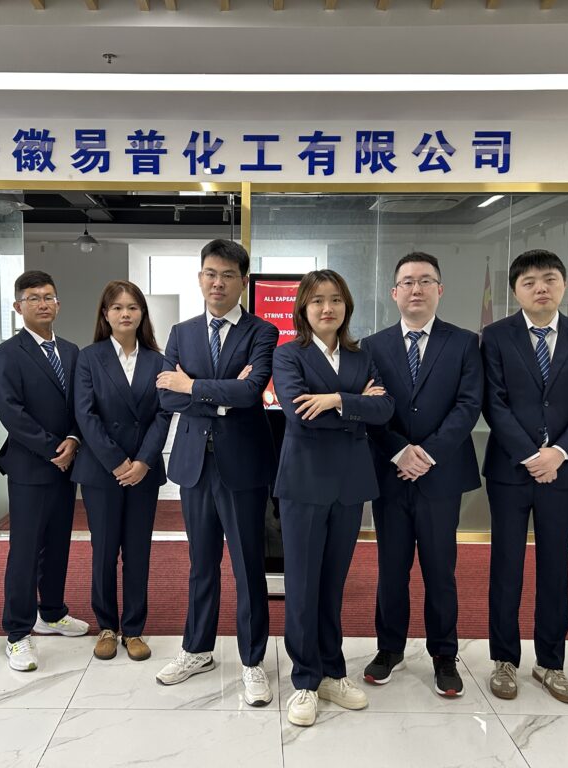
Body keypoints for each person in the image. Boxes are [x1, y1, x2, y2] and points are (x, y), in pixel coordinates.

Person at [154, 239, 278, 707]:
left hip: (243, 465)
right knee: (200, 565)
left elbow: (252, 392)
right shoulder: (182, 332)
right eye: (209, 273)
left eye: (227, 274)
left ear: (243, 280)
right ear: (199, 277)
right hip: (193, 465)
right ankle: (197, 649)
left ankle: (252, 661)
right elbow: (166, 396)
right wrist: (218, 395)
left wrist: (193, 386)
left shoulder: (261, 331)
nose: (217, 282)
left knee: (248, 567)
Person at [273, 269, 394, 727]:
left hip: (349, 486)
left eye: (336, 299)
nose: (328, 308)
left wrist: (334, 400)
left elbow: (384, 409)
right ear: (303, 308)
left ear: (347, 306)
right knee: (302, 586)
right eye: (318, 300)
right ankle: (305, 680)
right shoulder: (289, 356)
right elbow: (298, 412)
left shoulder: (363, 356)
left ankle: (332, 672)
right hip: (304, 484)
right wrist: (352, 403)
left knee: (333, 585)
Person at [481, 249, 568, 705]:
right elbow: (493, 402)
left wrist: (560, 452)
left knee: (556, 568)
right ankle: (504, 660)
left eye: (549, 279)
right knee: (506, 566)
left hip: (563, 471)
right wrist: (532, 454)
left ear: (563, 285)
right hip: (511, 470)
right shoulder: (495, 336)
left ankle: (550, 663)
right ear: (516, 290)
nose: (540, 288)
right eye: (529, 281)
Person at [361, 253, 482, 696]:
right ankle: (389, 647)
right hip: (390, 474)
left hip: (440, 475)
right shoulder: (372, 346)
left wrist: (426, 454)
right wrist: (399, 452)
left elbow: (468, 405)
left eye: (426, 281)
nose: (416, 289)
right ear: (394, 293)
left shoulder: (465, 343)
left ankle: (444, 653)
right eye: (407, 282)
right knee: (390, 568)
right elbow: (370, 408)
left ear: (439, 290)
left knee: (439, 568)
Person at [0, 270, 89, 673]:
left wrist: (73, 440)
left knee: (58, 543)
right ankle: (17, 632)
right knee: (26, 549)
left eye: (48, 297)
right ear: (18, 307)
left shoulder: (72, 350)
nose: (42, 303)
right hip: (31, 466)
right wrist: (53, 448)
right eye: (33, 298)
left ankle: (51, 611)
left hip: (67, 463)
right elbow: (10, 411)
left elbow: (82, 403)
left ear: (58, 304)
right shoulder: (7, 353)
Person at [74, 280, 171, 663]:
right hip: (103, 471)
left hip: (143, 471)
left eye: (132, 307)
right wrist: (117, 462)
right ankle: (106, 627)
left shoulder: (159, 360)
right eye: (117, 307)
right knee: (103, 551)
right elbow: (86, 414)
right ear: (105, 314)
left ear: (142, 314)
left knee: (137, 551)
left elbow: (164, 413)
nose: (125, 313)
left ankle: (133, 628)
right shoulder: (89, 357)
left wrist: (144, 461)